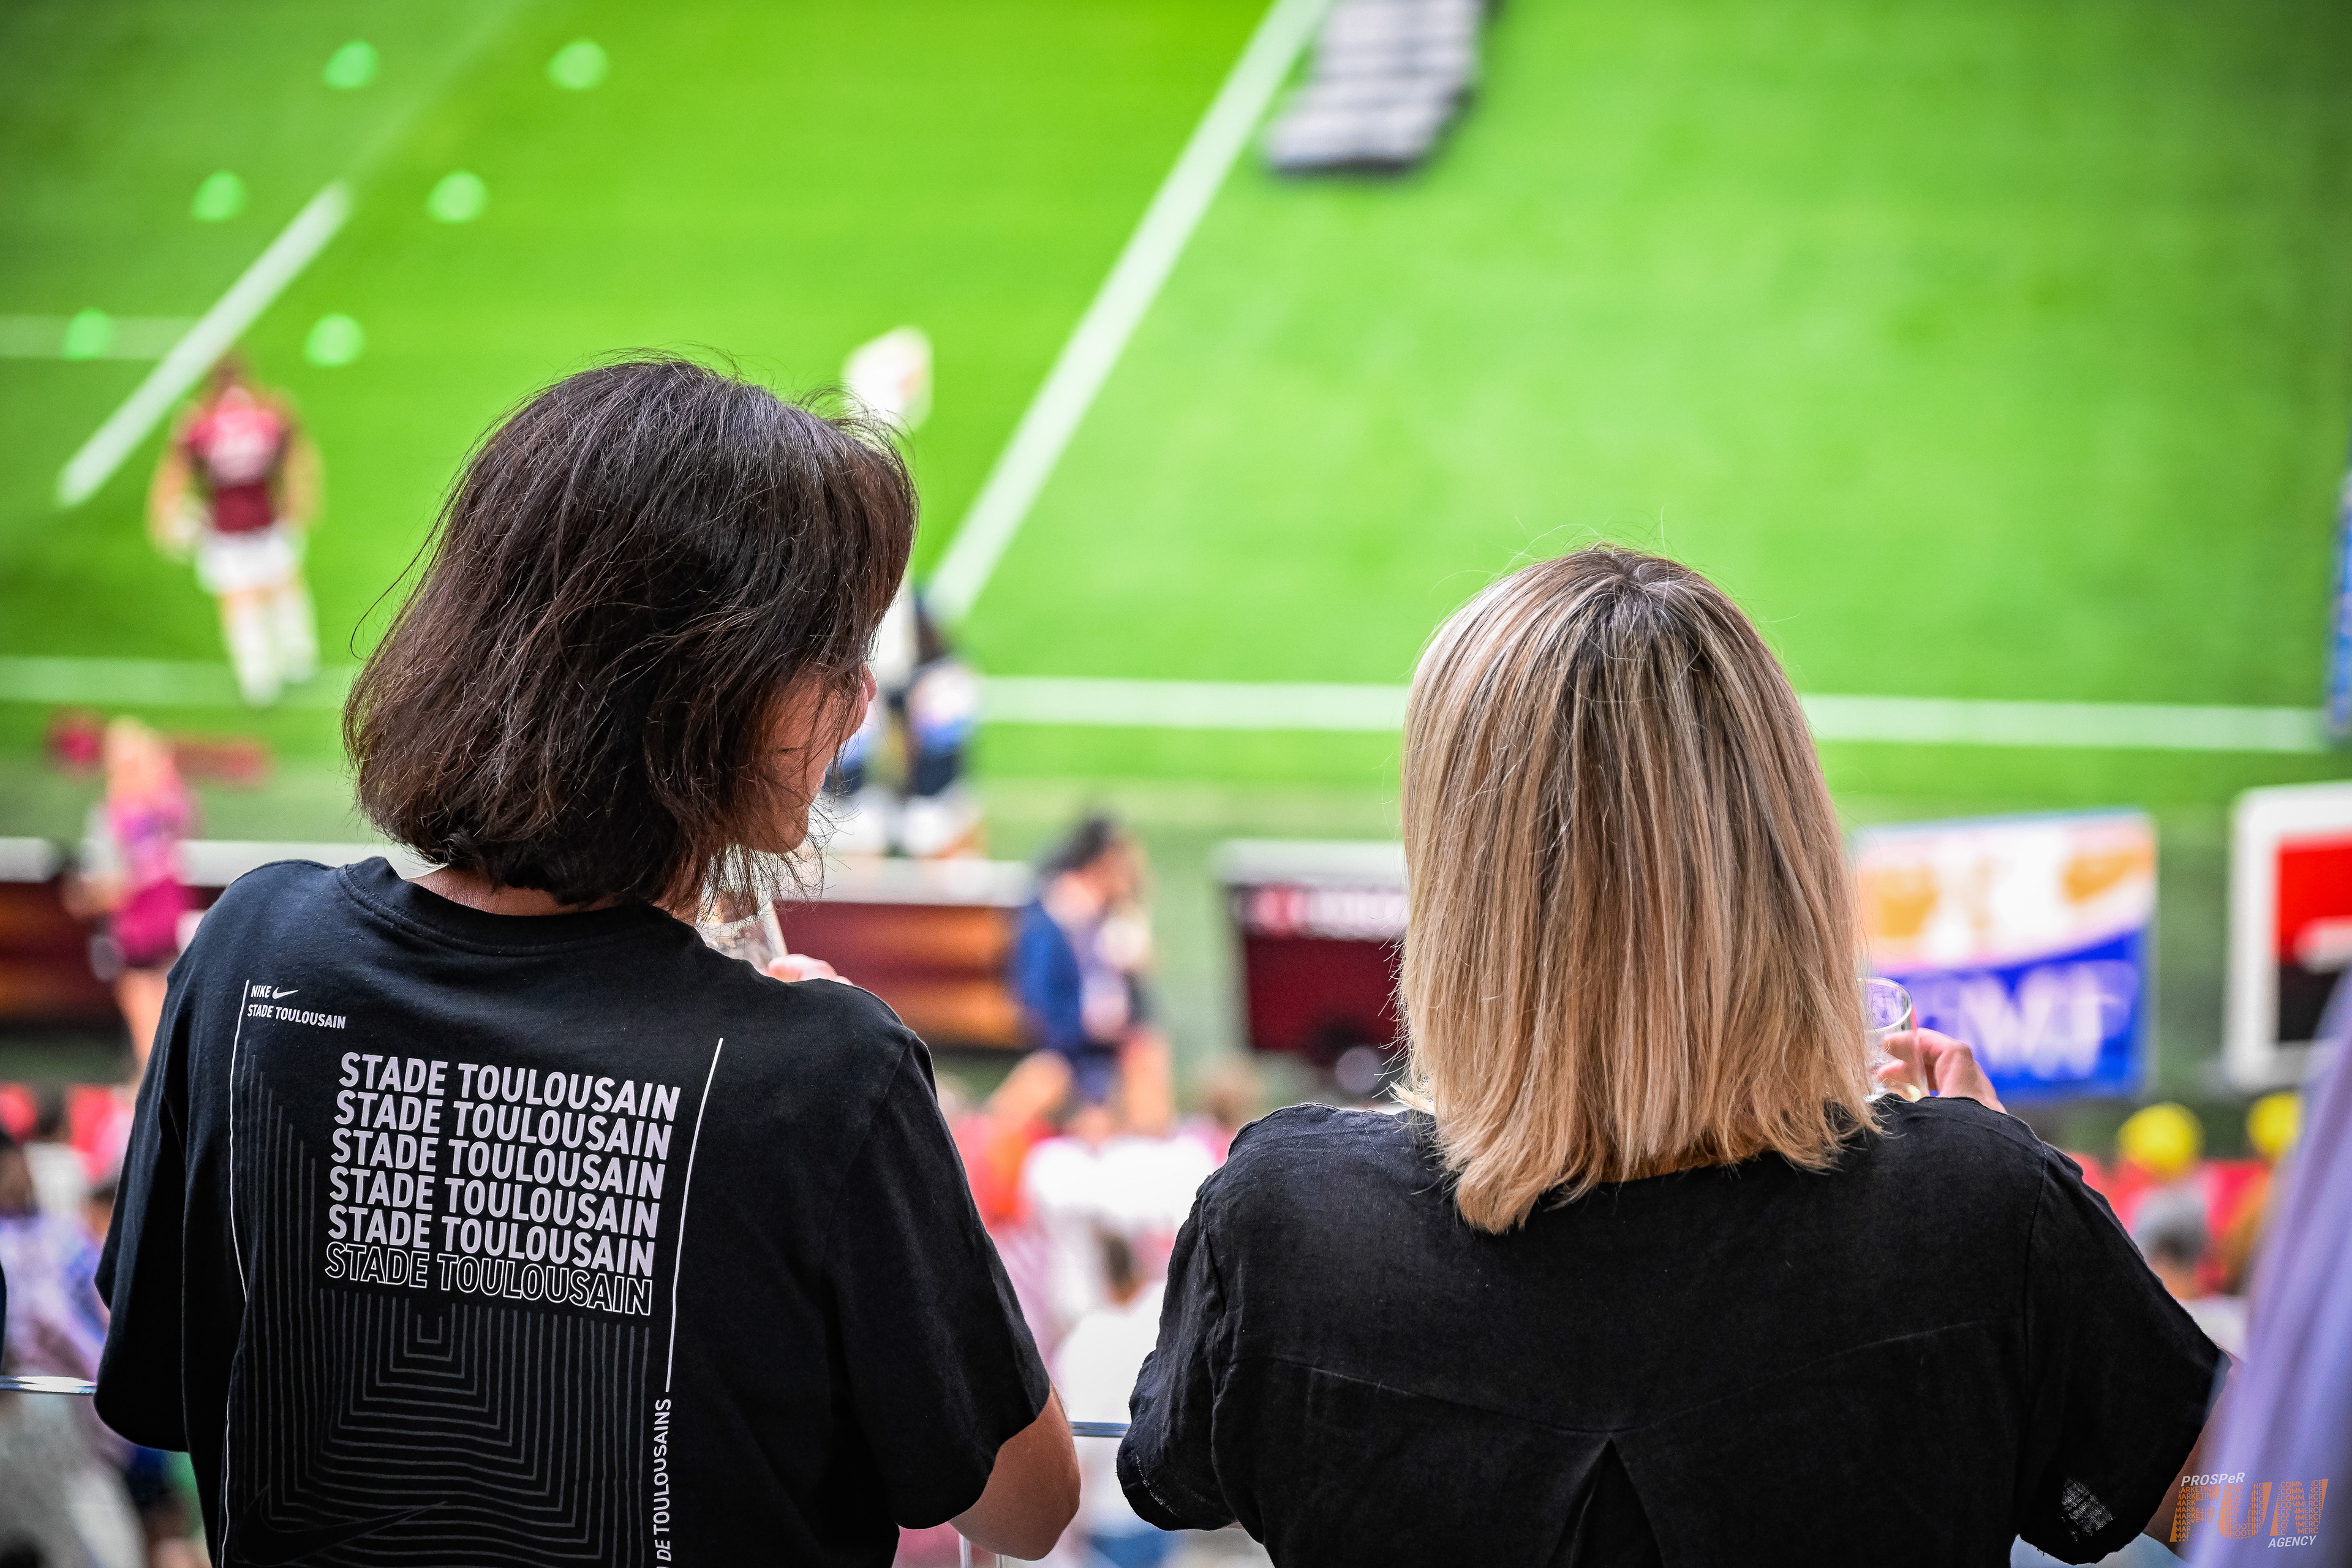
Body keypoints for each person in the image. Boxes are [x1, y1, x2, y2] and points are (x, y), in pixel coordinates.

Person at [96, 359, 1077, 1566]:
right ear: (703, 694)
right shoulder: (823, 1069)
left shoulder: (250, 953)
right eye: (827, 651)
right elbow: (1025, 1507)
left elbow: (152, 1386)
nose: (862, 694)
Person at [1120, 547, 2222, 1566]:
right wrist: (2002, 1197)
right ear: (1783, 851)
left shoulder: (1281, 1221)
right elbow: (2294, 1503)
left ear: (1459, 889)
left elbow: (1169, 1479)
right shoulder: (1981, 1211)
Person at [146, 354, 322, 706]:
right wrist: (301, 498)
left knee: (239, 602)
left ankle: (258, 679)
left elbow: (174, 473)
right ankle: (298, 659)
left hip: (224, 529)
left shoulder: (198, 421)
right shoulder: (270, 409)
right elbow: (299, 455)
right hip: (268, 519)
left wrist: (161, 518)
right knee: (285, 587)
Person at [61, 718, 195, 1079]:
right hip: (168, 919)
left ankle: (146, 1100)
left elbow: (116, 887)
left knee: (146, 1030)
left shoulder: (115, 816)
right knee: (165, 1013)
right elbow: (187, 815)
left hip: (137, 928)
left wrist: (81, 897)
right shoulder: (164, 808)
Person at [1056, 1235, 1170, 1568]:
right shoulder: (1159, 1316)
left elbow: (1081, 1453)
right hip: (1161, 1507)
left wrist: (1065, 1530)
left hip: (1110, 1521)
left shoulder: (1091, 1338)